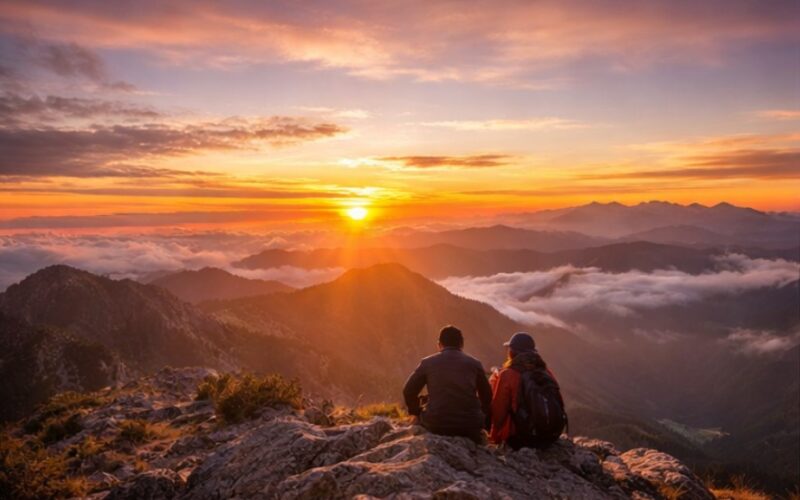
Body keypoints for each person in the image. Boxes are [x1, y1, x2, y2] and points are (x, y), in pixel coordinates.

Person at [403, 325, 492, 443]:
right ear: (461, 344)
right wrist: (478, 415)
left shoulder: (428, 363)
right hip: (470, 426)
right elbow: (487, 395)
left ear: (439, 344)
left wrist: (416, 411)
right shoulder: (475, 364)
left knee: (425, 403)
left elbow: (408, 391)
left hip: (436, 424)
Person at [489, 332, 566, 450]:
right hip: (549, 437)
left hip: (521, 439)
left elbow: (499, 412)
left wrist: (493, 439)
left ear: (511, 352)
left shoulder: (508, 374)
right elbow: (559, 402)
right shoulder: (546, 372)